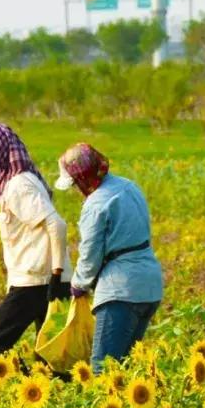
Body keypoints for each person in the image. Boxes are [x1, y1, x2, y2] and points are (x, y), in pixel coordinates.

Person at [0, 123, 71, 359]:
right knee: (49, 354)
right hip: (44, 279)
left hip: (37, 281)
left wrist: (56, 273)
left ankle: (21, 389)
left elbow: (56, 224)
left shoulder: (18, 185)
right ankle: (41, 390)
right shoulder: (20, 181)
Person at [55, 143, 163, 373]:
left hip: (121, 291)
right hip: (150, 285)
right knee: (126, 367)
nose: (76, 189)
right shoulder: (129, 186)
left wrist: (79, 285)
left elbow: (90, 253)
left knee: (103, 369)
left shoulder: (96, 204)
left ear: (83, 178)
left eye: (75, 183)